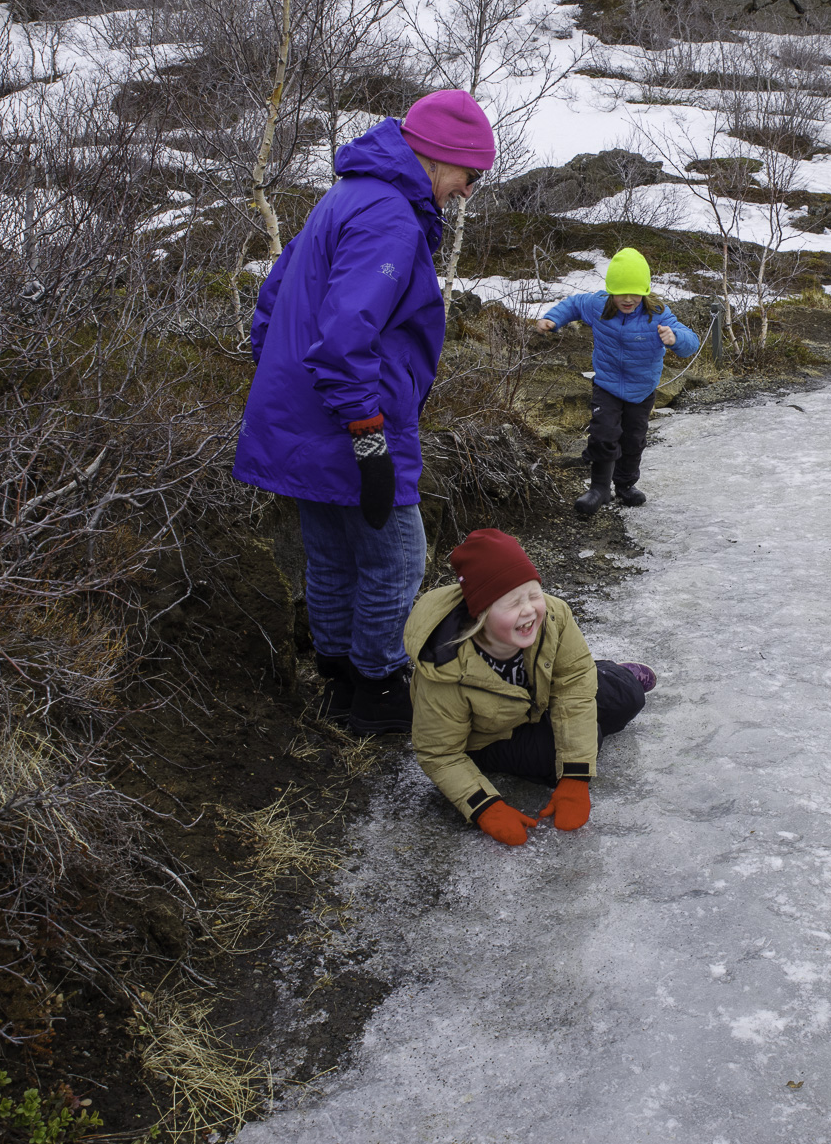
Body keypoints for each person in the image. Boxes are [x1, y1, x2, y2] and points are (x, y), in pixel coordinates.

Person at [232, 90, 496, 737]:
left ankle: (339, 683)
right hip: (353, 423)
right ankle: (378, 690)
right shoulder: (389, 218)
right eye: (469, 175)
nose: (467, 191)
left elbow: (272, 299)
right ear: (436, 158)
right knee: (394, 558)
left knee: (330, 556)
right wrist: (369, 436)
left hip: (310, 419)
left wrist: (286, 384)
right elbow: (349, 331)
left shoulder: (347, 194)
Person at [406, 528, 655, 845]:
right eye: (512, 603)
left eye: (533, 595)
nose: (529, 610)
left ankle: (610, 673)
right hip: (492, 736)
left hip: (541, 699)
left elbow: (574, 688)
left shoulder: (553, 615)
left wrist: (576, 777)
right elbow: (439, 754)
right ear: (480, 613)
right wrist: (485, 807)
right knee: (565, 751)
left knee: (626, 697)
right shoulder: (445, 670)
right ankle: (587, 711)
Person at [535, 247, 700, 516]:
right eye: (621, 291)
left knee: (633, 440)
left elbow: (690, 342)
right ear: (611, 289)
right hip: (608, 384)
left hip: (641, 389)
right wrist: (552, 319)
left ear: (645, 291)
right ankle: (599, 489)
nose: (627, 299)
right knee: (603, 433)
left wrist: (675, 338)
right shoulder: (598, 305)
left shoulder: (656, 314)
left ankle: (625, 486)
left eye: (635, 292)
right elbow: (574, 304)